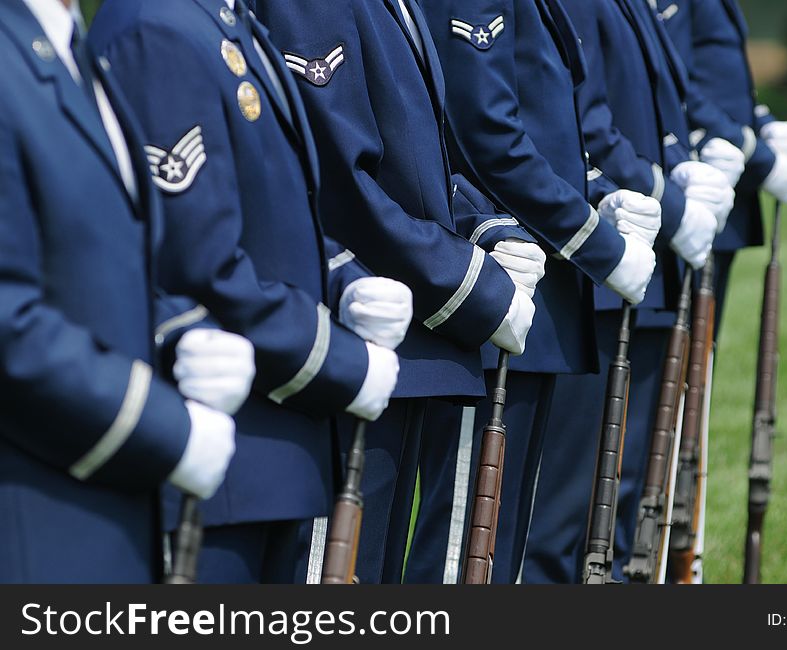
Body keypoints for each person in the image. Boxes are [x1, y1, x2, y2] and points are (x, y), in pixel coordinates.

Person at [91, 0, 410, 583]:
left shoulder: (226, 19)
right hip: (218, 469)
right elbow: (194, 263)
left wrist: (345, 283)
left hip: (275, 457)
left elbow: (270, 220)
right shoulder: (154, 25)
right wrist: (341, 363)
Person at [253, 0, 542, 583]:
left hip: (409, 343)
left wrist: (488, 229)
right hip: (358, 330)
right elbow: (341, 186)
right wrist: (477, 289)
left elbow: (415, 162)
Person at [0, 0, 253, 582]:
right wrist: (164, 428)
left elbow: (99, 262)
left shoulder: (68, 47)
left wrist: (178, 336)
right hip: (36, 534)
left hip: (100, 522)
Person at [410, 0, 661, 584]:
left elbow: (558, 130)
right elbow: (485, 135)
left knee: (504, 554)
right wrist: (600, 247)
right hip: (500, 279)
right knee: (463, 556)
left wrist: (598, 202)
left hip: (538, 289)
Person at [522, 0, 737, 583]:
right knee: (564, 521)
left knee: (624, 505)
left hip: (638, 259)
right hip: (601, 263)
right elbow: (585, 127)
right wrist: (669, 202)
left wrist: (682, 176)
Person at [652, 0, 787, 323]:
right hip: (698, 178)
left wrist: (761, 123)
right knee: (681, 351)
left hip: (725, 176)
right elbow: (670, 78)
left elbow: (720, 82)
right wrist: (757, 155)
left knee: (702, 352)